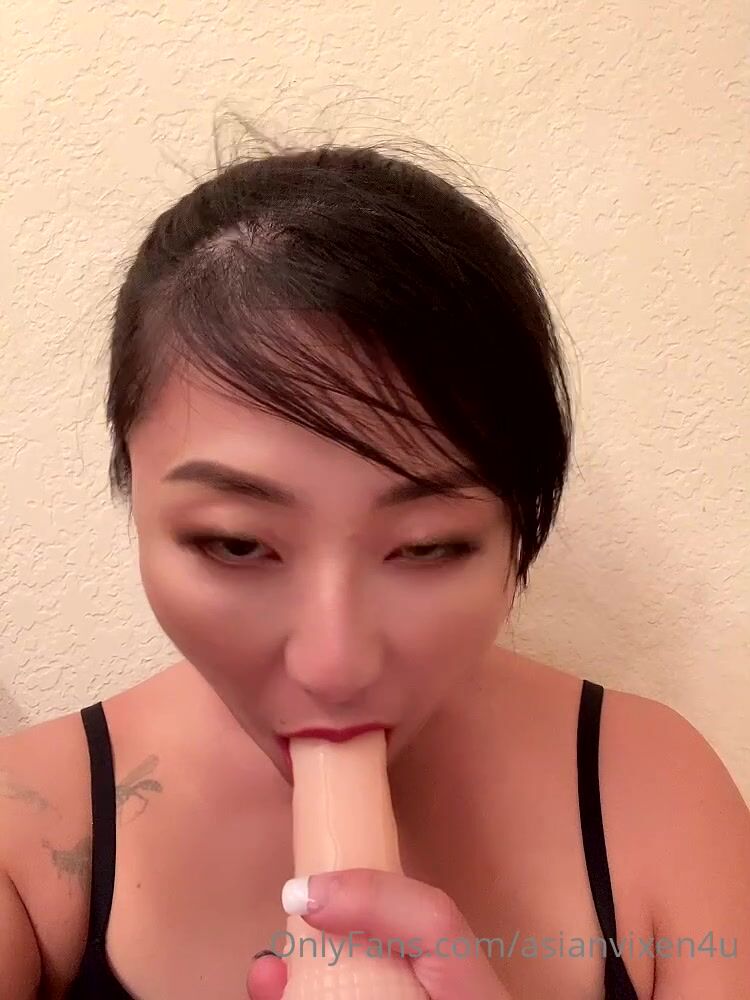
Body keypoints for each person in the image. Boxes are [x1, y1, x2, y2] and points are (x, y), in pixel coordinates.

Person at [1, 139, 748, 1000]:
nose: (335, 666)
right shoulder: (27, 829)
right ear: (135, 494)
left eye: (428, 546)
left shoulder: (654, 791)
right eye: (236, 543)